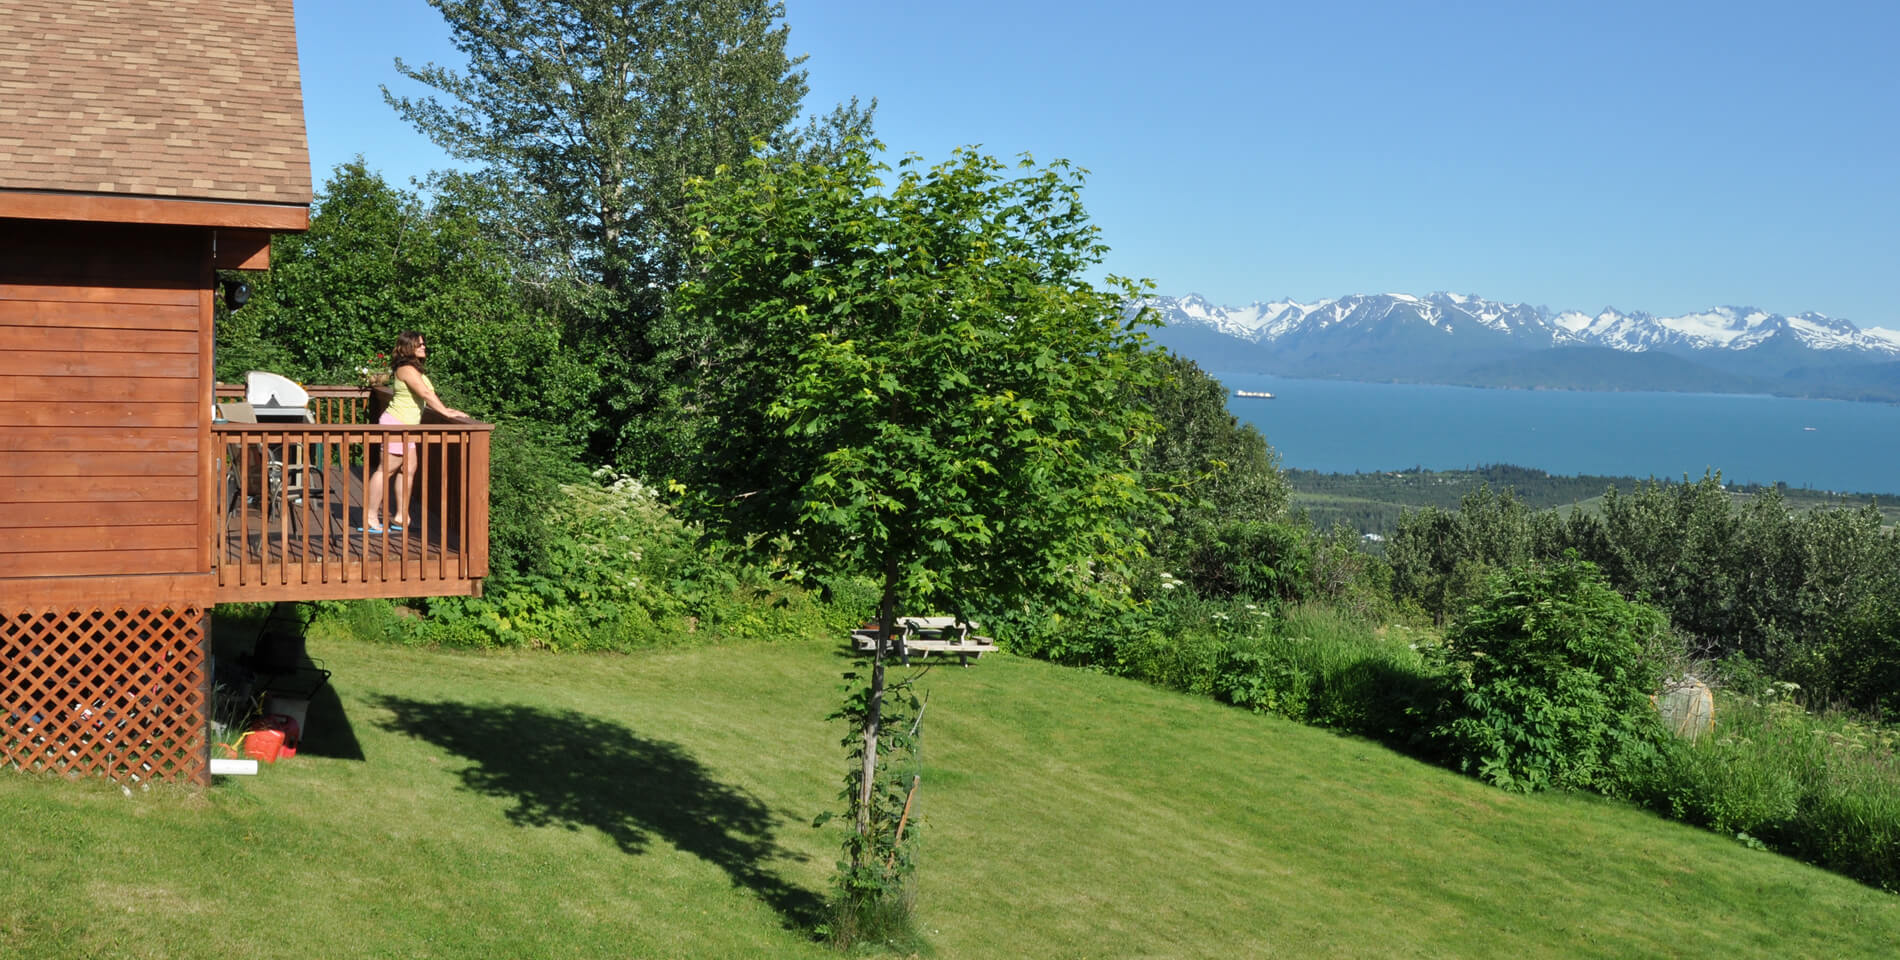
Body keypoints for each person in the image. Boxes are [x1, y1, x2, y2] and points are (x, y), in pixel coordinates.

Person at [361, 331, 467, 533]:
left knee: (408, 470)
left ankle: (401, 516)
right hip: (396, 425)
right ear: (408, 347)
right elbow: (424, 392)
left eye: (423, 344)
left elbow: (430, 395)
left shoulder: (414, 369)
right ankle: (370, 516)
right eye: (419, 345)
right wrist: (443, 411)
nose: (424, 347)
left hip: (407, 427)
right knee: (386, 470)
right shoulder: (405, 368)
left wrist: (446, 409)